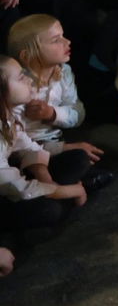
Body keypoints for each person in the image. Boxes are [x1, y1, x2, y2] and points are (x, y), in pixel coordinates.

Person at [8, 15, 118, 161]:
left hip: (58, 138)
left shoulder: (64, 71)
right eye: (56, 40)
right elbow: (15, 143)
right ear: (28, 55)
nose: (68, 42)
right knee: (78, 160)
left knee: (115, 139)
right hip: (27, 150)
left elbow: (78, 113)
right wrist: (61, 149)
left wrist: (52, 114)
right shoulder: (15, 86)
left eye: (63, 36)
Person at [0, 55, 92, 233]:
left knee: (78, 158)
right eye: (20, 77)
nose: (28, 79)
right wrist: (66, 191)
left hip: (14, 180)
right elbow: (17, 187)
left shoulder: (7, 117)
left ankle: (63, 199)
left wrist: (52, 185)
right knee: (48, 211)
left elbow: (29, 148)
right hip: (7, 190)